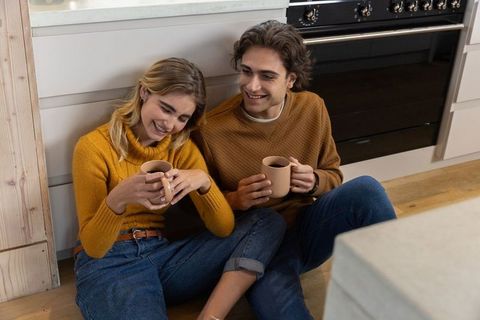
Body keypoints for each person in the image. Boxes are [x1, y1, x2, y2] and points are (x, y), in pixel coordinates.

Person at [194, 20, 397, 319]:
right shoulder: (212, 130)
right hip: (255, 245)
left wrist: (313, 181)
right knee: (280, 309)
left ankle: (404, 285)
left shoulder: (312, 108)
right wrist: (235, 200)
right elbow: (196, 211)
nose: (252, 86)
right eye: (246, 71)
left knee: (367, 189)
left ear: (290, 79)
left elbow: (334, 175)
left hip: (307, 230)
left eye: (267, 76)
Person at [71, 57, 286, 320]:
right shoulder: (93, 147)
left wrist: (204, 183)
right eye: (166, 108)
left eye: (182, 117)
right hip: (111, 263)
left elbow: (224, 229)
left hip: (163, 256)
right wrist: (118, 198)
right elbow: (94, 247)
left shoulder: (180, 148)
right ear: (144, 92)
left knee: (266, 221)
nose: (170, 125)